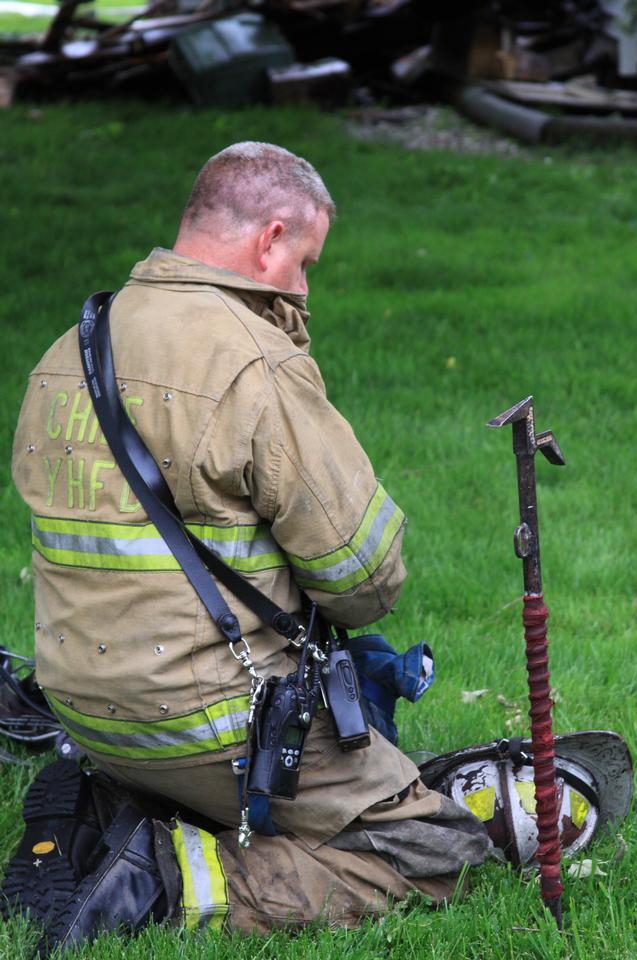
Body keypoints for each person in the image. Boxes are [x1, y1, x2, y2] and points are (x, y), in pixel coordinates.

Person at [10, 142, 489, 944]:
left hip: (80, 704)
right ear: (270, 239)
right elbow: (366, 580)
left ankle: (117, 805)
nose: (303, 287)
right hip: (211, 723)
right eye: (304, 261)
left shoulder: (68, 350)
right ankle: (163, 879)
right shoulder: (250, 361)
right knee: (435, 848)